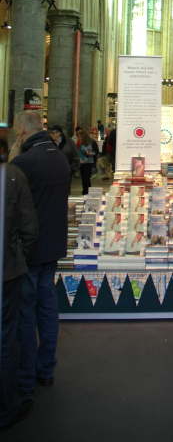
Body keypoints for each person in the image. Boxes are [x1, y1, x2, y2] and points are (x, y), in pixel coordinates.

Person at [11, 110, 71, 399]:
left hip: (29, 248)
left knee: (25, 310)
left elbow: (14, 206)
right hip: (54, 245)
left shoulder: (24, 162)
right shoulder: (59, 157)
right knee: (47, 307)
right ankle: (46, 367)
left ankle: (25, 373)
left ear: (22, 131)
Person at [0, 162, 38, 429]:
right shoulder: (12, 176)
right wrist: (18, 258)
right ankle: (7, 405)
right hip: (7, 271)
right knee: (5, 337)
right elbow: (28, 228)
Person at [76, 128, 98, 195]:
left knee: (86, 178)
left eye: (80, 136)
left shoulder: (92, 142)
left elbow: (96, 152)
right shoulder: (80, 142)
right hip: (82, 163)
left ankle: (86, 192)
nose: (79, 137)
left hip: (89, 163)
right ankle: (86, 191)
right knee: (84, 179)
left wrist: (89, 153)